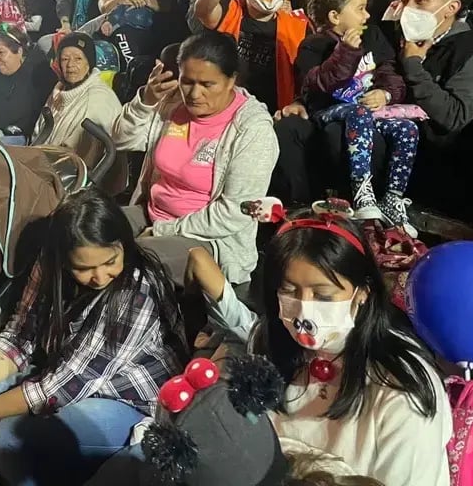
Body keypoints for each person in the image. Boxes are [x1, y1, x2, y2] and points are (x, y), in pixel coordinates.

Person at [0, 188, 186, 486]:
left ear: (123, 244)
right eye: (83, 268)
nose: (99, 277)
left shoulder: (136, 293)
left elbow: (61, 387)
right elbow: (20, 337)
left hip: (132, 403)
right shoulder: (48, 265)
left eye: (110, 261)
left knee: (9, 437)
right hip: (63, 376)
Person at [188, 205, 450, 486]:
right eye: (289, 291)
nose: (304, 310)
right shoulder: (268, 342)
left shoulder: (399, 389)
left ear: (362, 292)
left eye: (323, 296)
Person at [111, 31, 278, 287]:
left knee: (132, 264)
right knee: (87, 234)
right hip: (151, 212)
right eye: (187, 81)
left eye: (207, 84)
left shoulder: (252, 130)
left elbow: (234, 213)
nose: (194, 93)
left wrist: (164, 230)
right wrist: (145, 101)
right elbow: (122, 140)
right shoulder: (172, 102)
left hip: (209, 239)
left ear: (231, 80)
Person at [297, 0, 418, 233]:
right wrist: (346, 52)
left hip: (369, 111)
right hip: (330, 110)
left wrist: (385, 94)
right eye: (360, 9)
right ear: (335, 16)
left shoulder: (373, 36)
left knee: (407, 128)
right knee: (358, 112)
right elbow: (322, 84)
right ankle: (363, 194)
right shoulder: (313, 45)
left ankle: (392, 199)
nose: (367, 15)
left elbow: (390, 73)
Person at [394, 0, 473, 198]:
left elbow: (455, 116)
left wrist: (413, 66)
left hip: (431, 164)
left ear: (451, 8)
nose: (408, 8)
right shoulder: (392, 34)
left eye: (420, 0)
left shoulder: (472, 50)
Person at [194, 0, 310, 115]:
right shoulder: (231, 10)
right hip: (227, 111)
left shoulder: (299, 26)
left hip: (276, 114)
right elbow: (203, 12)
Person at [41, 33, 123, 167]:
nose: (70, 65)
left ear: (89, 63)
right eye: (65, 59)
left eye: (78, 58)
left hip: (71, 177)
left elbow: (80, 158)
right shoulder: (57, 94)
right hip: (43, 166)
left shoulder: (99, 98)